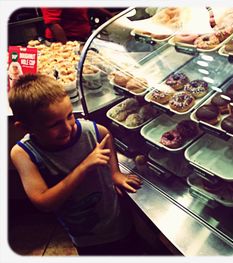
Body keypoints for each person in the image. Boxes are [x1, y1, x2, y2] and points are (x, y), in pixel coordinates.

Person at [8, 73, 147, 255]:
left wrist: (115, 173)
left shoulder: (87, 130)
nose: (68, 127)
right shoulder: (23, 154)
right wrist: (84, 166)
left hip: (116, 219)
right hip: (84, 233)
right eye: (54, 125)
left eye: (69, 116)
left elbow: (105, 134)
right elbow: (44, 202)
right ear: (25, 127)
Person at [41, 8, 116, 43]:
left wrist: (110, 15)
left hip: (83, 36)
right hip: (64, 40)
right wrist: (67, 48)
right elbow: (53, 25)